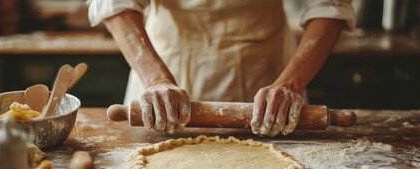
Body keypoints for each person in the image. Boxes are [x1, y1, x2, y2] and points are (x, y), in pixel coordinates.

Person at [88, 0, 355, 136]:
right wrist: (156, 80)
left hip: (270, 79)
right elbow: (114, 3)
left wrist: (290, 85)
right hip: (162, 73)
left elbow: (330, 6)